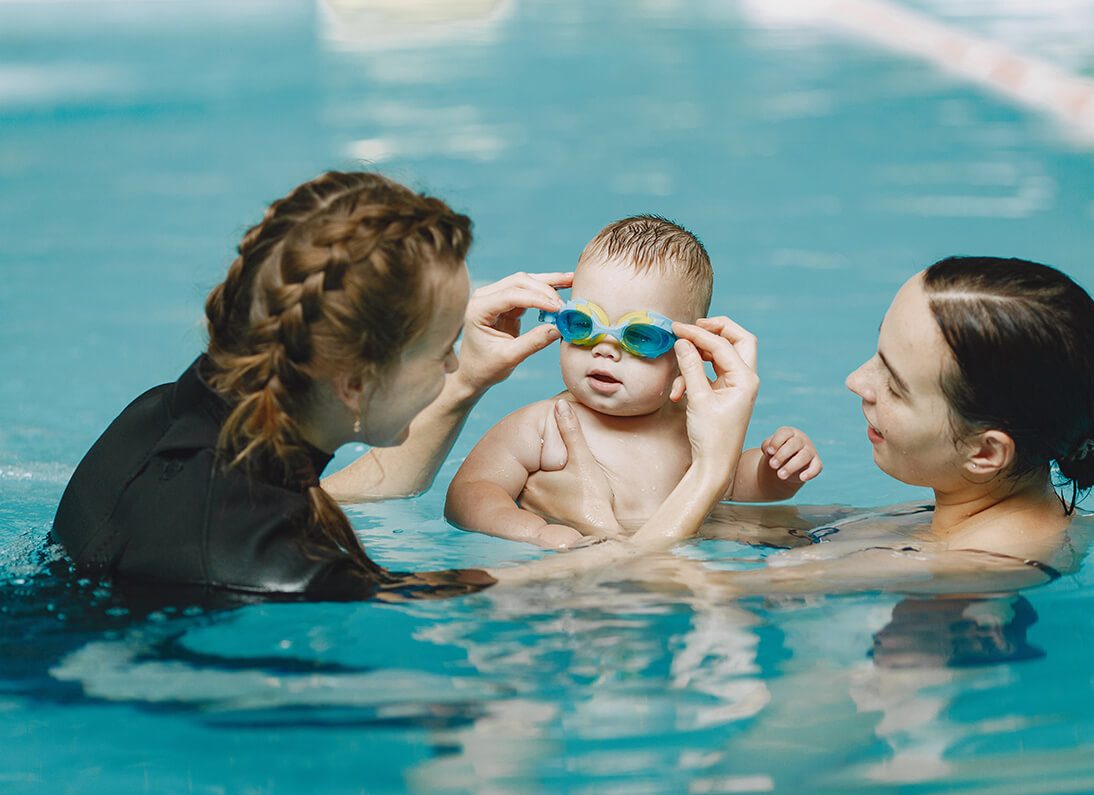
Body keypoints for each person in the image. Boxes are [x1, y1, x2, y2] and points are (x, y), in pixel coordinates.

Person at [51, 172, 760, 602]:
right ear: (356, 383)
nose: (457, 362)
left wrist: (471, 378)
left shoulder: (170, 413)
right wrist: (707, 471)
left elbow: (365, 489)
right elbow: (598, 581)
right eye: (444, 347)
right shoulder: (286, 571)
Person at [555, 256, 1094, 596]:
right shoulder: (964, 512)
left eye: (893, 384)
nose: (855, 381)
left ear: (985, 452)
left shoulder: (972, 567)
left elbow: (631, 586)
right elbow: (757, 531)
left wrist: (709, 469)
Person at [443, 215, 822, 549]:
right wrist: (533, 532)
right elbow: (469, 494)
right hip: (577, 579)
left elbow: (732, 483)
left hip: (666, 569)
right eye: (583, 325)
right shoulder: (544, 424)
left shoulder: (692, 423)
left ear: (687, 355)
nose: (604, 350)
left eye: (639, 337)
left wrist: (777, 469)